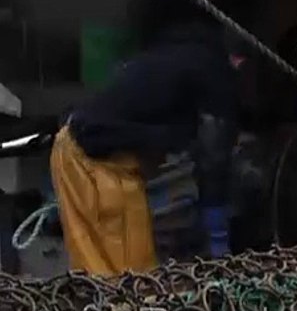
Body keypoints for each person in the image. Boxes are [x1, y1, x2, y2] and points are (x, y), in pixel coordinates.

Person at [49, 21, 246, 276]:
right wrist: (217, 231)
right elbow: (213, 156)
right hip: (92, 163)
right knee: (122, 276)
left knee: (124, 272)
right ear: (241, 62)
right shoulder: (213, 73)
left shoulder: (182, 55)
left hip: (88, 153)